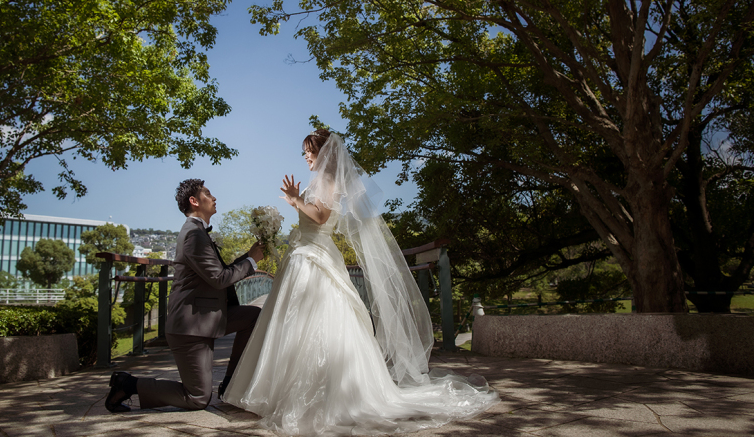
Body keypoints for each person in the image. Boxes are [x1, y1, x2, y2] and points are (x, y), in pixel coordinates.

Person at [224, 130, 500, 435]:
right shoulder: (324, 181)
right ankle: (283, 389)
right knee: (296, 322)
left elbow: (320, 215)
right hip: (305, 253)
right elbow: (315, 215)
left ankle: (324, 393)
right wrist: (297, 202)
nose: (306, 156)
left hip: (313, 256)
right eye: (304, 152)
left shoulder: (327, 181)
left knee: (314, 319)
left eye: (310, 151)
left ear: (324, 153)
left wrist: (296, 199)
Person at [105, 179, 264, 413]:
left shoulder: (199, 232)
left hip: (208, 316)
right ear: (194, 201)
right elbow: (219, 278)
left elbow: (217, 273)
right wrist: (252, 261)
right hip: (190, 326)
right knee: (198, 398)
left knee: (253, 316)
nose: (214, 197)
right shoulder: (193, 235)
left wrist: (248, 255)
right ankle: (127, 384)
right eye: (208, 194)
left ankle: (232, 380)